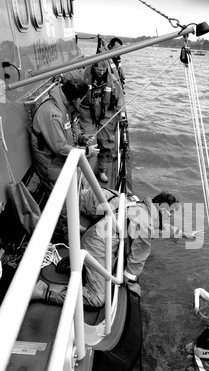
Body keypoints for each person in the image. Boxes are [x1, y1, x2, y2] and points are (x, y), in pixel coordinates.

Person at [31, 189, 196, 308]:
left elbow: (159, 229)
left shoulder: (140, 207)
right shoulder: (145, 222)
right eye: (170, 213)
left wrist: (184, 234)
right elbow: (138, 257)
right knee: (96, 299)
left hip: (93, 236)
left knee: (109, 263)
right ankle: (44, 291)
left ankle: (79, 261)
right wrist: (131, 283)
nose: (171, 217)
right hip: (99, 245)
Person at [31, 76, 99, 241]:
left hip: (61, 160)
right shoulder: (51, 113)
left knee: (74, 191)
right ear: (76, 98)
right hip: (50, 164)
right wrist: (85, 151)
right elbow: (60, 147)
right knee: (63, 200)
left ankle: (71, 223)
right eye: (82, 98)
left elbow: (69, 129)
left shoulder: (64, 106)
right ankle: (63, 233)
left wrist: (82, 138)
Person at [79, 58, 125, 183]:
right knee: (88, 140)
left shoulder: (112, 80)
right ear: (94, 67)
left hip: (106, 112)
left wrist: (122, 113)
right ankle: (83, 171)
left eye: (104, 69)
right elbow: (71, 77)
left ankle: (102, 170)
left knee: (106, 142)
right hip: (87, 111)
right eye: (99, 69)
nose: (101, 72)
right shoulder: (84, 74)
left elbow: (120, 97)